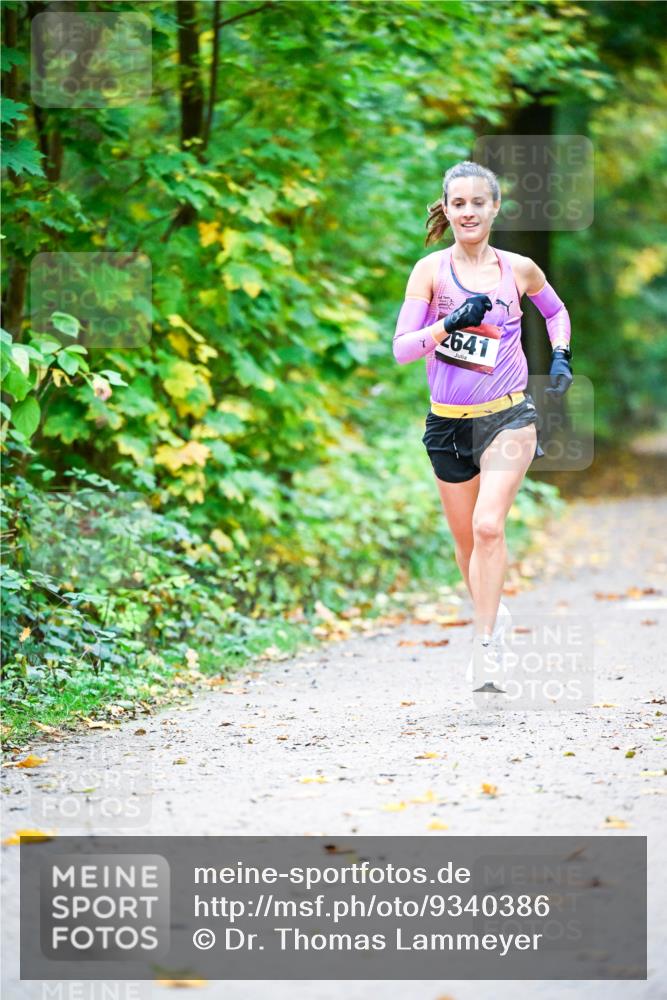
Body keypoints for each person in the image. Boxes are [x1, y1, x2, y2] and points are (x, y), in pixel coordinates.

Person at [392, 160, 573, 694]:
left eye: (478, 202)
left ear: (495, 207)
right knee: (466, 541)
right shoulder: (429, 272)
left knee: (489, 526)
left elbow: (555, 312)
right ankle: (495, 611)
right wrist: (450, 320)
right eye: (458, 203)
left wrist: (560, 354)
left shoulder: (519, 270)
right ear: (446, 211)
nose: (468, 211)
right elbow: (402, 350)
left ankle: (487, 646)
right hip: (447, 425)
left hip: (510, 416)